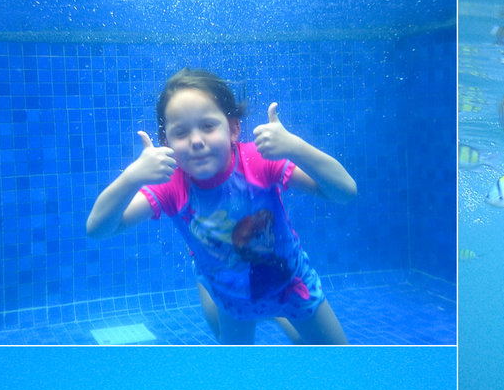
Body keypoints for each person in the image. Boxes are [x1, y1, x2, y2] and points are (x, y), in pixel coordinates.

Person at [87, 68, 359, 345]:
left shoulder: (258, 161)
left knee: (336, 360)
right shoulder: (171, 185)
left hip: (291, 284)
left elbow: (345, 191)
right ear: (165, 143)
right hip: (231, 297)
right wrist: (132, 177)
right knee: (233, 367)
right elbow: (98, 229)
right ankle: (213, 280)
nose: (196, 141)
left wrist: (295, 147)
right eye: (181, 132)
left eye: (208, 126)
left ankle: (277, 314)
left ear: (233, 129)